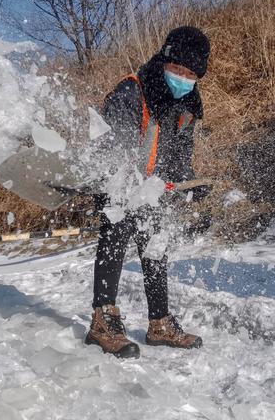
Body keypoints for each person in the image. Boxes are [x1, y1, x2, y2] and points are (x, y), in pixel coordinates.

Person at [85, 26, 211, 358]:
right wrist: (122, 184)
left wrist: (189, 184)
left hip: (152, 188)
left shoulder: (187, 106)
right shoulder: (132, 91)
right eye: (178, 70)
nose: (183, 78)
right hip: (119, 181)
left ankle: (159, 323)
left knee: (155, 244)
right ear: (164, 60)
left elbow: (181, 157)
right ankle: (102, 322)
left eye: (191, 74)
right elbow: (113, 146)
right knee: (117, 233)